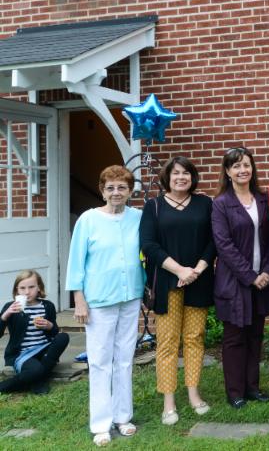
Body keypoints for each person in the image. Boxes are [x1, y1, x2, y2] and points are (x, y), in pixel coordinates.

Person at [66, 165, 144, 447]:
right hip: (98, 299)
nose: (116, 192)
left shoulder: (138, 217)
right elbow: (76, 260)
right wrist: (79, 299)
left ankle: (123, 417)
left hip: (130, 296)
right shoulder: (88, 220)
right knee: (100, 361)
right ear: (102, 191)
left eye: (122, 187)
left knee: (124, 358)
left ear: (130, 191)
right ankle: (100, 423)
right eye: (110, 188)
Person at [140, 156, 216, 425]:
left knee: (195, 337)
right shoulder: (154, 206)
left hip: (199, 280)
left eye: (186, 173)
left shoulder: (205, 203)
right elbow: (148, 244)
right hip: (168, 282)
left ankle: (194, 394)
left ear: (192, 177)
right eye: (176, 174)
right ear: (167, 178)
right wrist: (180, 271)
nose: (181, 177)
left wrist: (196, 270)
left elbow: (213, 240)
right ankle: (169, 401)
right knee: (168, 341)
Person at [212, 147, 269, 409]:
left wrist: (267, 272)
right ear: (228, 172)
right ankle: (235, 391)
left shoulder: (263, 199)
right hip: (235, 282)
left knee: (255, 336)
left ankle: (253, 387)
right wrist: (250, 276)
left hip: (263, 279)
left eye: (246, 165)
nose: (242, 170)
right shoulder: (221, 204)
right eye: (236, 166)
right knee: (234, 338)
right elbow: (223, 244)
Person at [0, 270, 70, 395]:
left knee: (63, 337)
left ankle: (37, 378)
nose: (27, 292)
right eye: (22, 288)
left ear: (39, 288)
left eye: (31, 287)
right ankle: (8, 385)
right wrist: (5, 316)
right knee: (35, 370)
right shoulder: (10, 307)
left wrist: (50, 326)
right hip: (22, 354)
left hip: (44, 349)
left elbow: (54, 332)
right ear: (17, 290)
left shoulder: (48, 306)